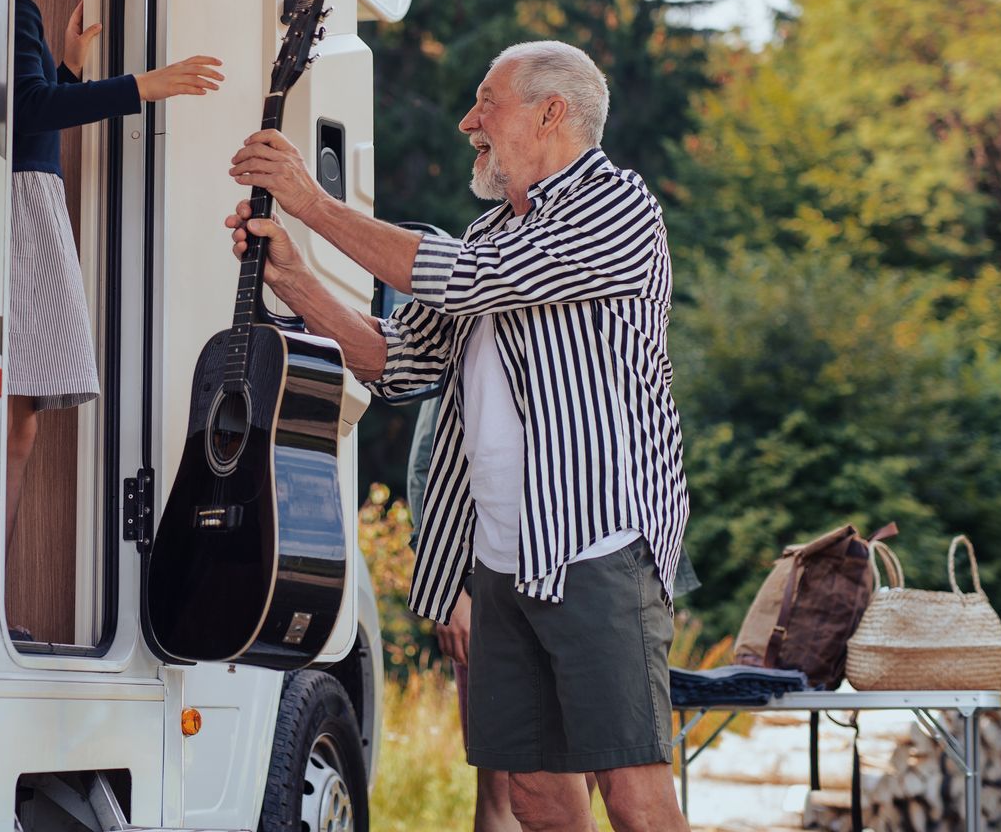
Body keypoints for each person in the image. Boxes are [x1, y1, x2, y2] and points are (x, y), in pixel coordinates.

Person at [226, 41, 689, 832]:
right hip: (502, 560)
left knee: (632, 791)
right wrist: (296, 279)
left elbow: (467, 281)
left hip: (596, 548)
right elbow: (396, 362)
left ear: (552, 114)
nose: (469, 121)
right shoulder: (486, 237)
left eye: (488, 103)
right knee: (536, 790)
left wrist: (311, 200)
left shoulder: (617, 206)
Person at [6, 0, 223, 548]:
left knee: (21, 415)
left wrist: (66, 66)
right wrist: (144, 86)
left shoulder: (22, 17)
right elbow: (32, 109)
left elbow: (26, 108)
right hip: (19, 222)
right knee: (17, 418)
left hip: (25, 212)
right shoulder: (12, 15)